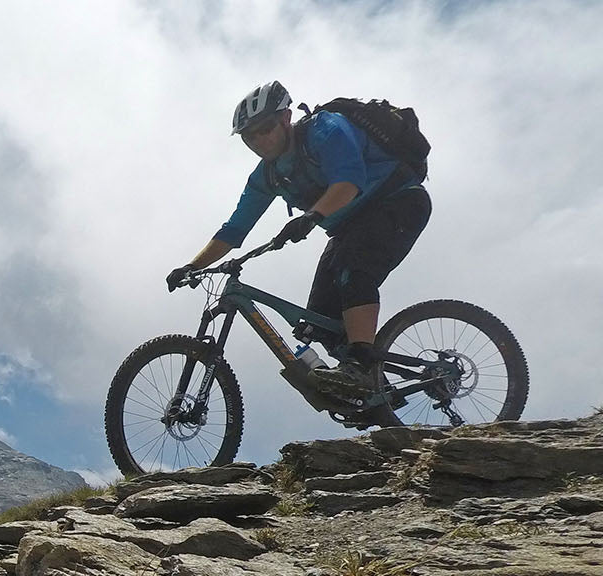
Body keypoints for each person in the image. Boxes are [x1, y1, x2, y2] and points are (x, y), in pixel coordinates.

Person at [165, 80, 431, 395]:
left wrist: (311, 217)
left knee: (355, 270)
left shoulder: (325, 130)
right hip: (350, 226)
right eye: (249, 136)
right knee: (317, 319)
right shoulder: (266, 176)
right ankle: (374, 394)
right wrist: (191, 266)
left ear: (286, 118)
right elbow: (234, 230)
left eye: (265, 129)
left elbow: (349, 182)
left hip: (400, 200)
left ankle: (360, 368)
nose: (259, 140)